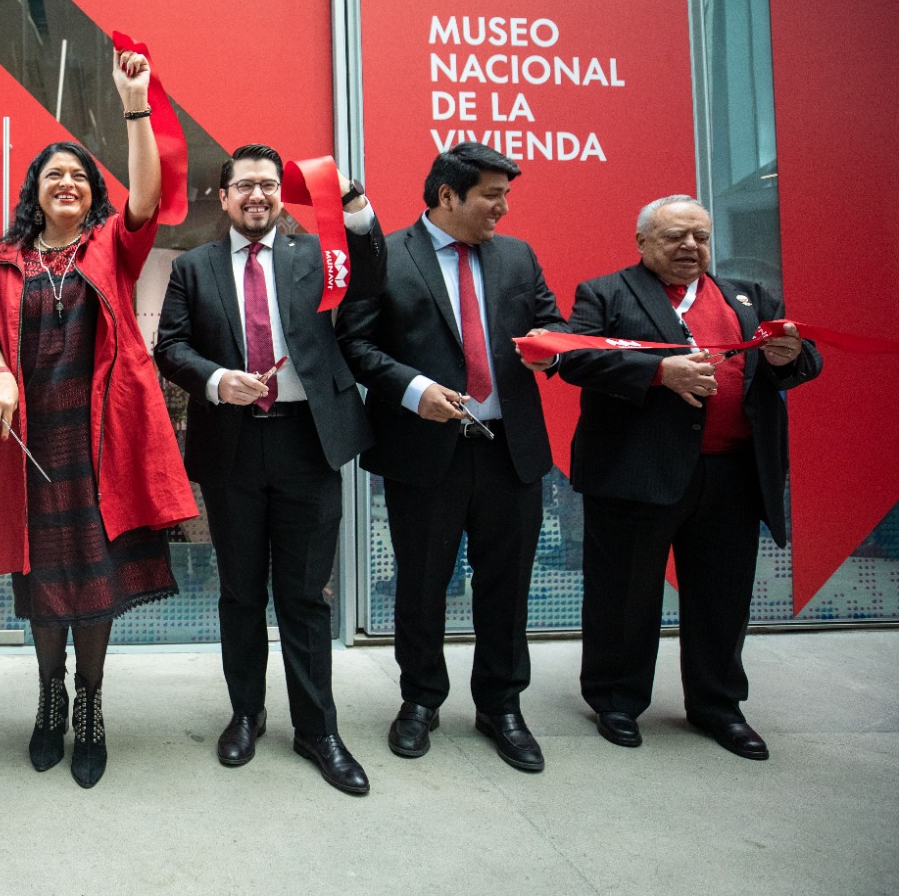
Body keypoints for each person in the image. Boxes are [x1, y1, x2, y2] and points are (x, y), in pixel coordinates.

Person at [0, 49, 197, 789]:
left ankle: (91, 703)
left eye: (79, 175)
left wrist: (135, 103)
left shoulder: (110, 246)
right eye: (53, 174)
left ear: (92, 193)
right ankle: (50, 697)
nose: (66, 181)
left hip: (101, 442)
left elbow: (149, 197)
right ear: (35, 191)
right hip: (31, 444)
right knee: (43, 580)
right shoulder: (6, 258)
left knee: (95, 580)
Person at [154, 144, 386, 795]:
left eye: (267, 185)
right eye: (244, 185)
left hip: (308, 444)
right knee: (240, 593)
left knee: (306, 596)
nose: (256, 195)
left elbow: (371, 278)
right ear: (224, 196)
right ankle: (246, 715)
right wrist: (215, 379)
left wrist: (354, 207)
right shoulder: (194, 267)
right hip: (232, 447)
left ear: (281, 196)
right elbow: (170, 346)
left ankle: (317, 729)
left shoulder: (317, 255)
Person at [559, 195, 821, 759]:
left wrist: (788, 357)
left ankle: (718, 705)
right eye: (675, 236)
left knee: (722, 597)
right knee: (625, 594)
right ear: (642, 242)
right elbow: (575, 357)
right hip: (635, 473)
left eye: (700, 237)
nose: (690, 247)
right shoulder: (606, 293)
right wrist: (658, 372)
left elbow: (804, 361)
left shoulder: (750, 297)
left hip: (732, 474)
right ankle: (616, 699)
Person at [336, 141, 564, 773]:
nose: (502, 208)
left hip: (509, 452)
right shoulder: (386, 257)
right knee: (421, 585)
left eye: (505, 195)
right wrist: (414, 391)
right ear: (447, 195)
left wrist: (553, 348)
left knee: (506, 587)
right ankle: (420, 700)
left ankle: (501, 706)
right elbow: (354, 343)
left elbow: (553, 324)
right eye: (492, 195)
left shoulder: (518, 256)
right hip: (424, 452)